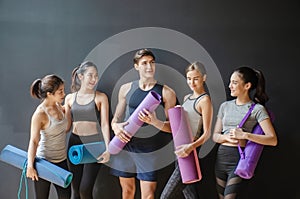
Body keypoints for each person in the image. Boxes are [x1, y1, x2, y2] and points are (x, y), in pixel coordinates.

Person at [110, 48, 177, 199]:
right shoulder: (125, 89)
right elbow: (116, 118)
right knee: (127, 192)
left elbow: (173, 128)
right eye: (144, 63)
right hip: (125, 144)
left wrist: (155, 122)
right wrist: (115, 126)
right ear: (136, 66)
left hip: (148, 149)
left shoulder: (167, 92)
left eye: (152, 63)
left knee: (148, 196)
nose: (149, 67)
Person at [140, 61, 213, 199]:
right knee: (189, 194)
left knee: (165, 196)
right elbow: (175, 128)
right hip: (179, 149)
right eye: (189, 78)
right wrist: (155, 121)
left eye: (196, 78)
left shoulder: (205, 101)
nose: (192, 82)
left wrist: (190, 147)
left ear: (204, 77)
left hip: (190, 152)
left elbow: (206, 134)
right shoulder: (186, 98)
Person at [212, 66, 278, 199]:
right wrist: (227, 138)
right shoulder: (225, 106)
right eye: (230, 82)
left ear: (247, 85)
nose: (230, 86)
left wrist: (245, 135)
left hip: (239, 159)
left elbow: (273, 140)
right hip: (221, 159)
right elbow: (215, 136)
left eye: (234, 83)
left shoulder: (257, 109)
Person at [64, 61, 111, 199]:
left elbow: (105, 124)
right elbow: (66, 127)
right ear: (80, 76)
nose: (94, 79)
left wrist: (108, 149)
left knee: (85, 189)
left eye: (96, 76)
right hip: (74, 142)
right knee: (75, 191)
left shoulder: (101, 97)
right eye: (90, 75)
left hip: (93, 144)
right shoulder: (69, 98)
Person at [26, 74, 71, 199]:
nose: (64, 94)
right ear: (50, 94)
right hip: (44, 162)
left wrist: (67, 108)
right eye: (60, 91)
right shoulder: (40, 114)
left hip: (61, 160)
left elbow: (65, 129)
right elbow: (34, 141)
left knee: (66, 196)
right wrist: (30, 166)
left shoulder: (58, 106)